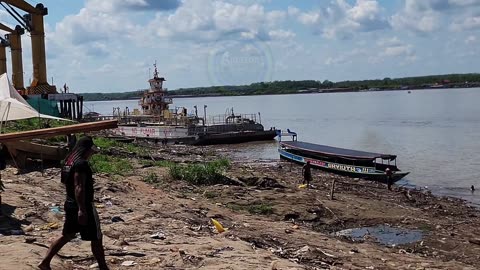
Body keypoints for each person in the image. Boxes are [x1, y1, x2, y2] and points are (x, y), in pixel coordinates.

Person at [39, 136, 109, 270]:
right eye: (91, 151)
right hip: (83, 205)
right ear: (86, 150)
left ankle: (45, 262)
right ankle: (103, 267)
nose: (91, 154)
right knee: (96, 237)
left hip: (70, 203)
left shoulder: (68, 162)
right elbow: (79, 186)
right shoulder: (81, 164)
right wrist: (82, 209)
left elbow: (66, 182)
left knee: (68, 235)